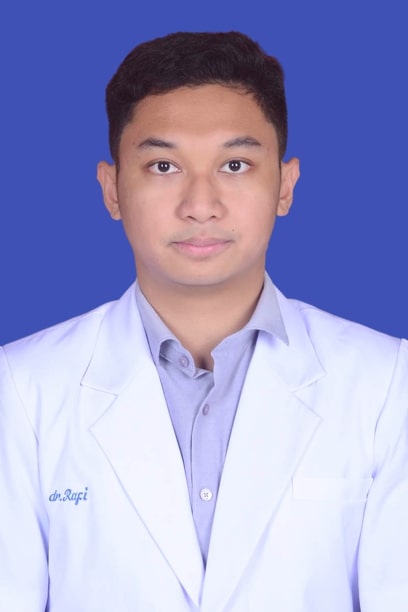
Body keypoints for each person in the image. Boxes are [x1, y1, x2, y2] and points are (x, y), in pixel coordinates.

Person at [0, 31, 407, 612]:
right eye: (163, 165)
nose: (200, 205)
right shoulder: (20, 387)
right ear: (112, 190)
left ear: (285, 186)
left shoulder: (387, 383)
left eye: (235, 165)